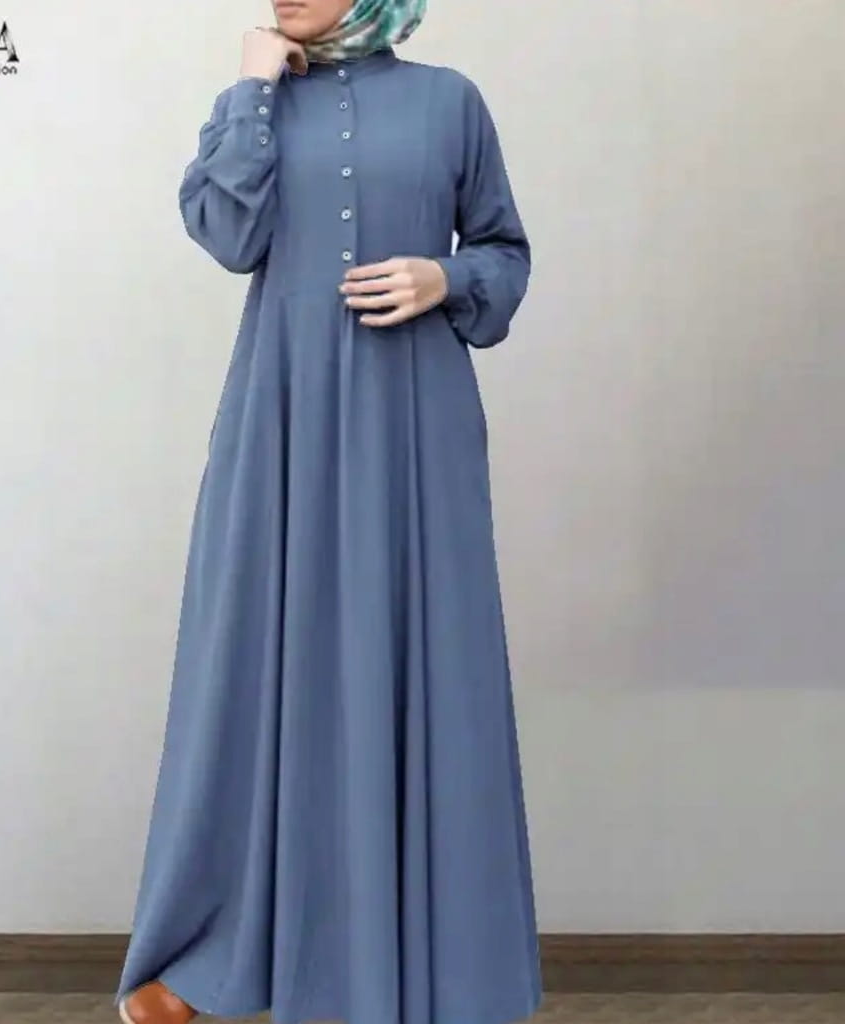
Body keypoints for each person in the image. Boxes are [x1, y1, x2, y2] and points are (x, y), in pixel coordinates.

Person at [116, 2, 542, 1023]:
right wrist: (252, 87)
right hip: (286, 419)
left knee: (426, 665)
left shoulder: (450, 103)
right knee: (260, 663)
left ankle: (433, 973)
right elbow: (228, 234)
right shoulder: (255, 103)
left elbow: (505, 254)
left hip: (415, 426)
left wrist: (445, 276)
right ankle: (222, 960)